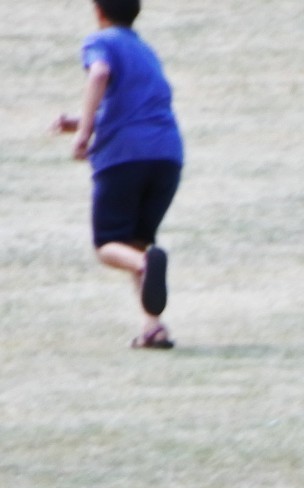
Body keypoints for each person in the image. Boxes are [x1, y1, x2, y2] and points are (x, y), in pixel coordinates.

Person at [51, 0, 184, 350]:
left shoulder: (102, 42)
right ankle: (153, 328)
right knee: (136, 242)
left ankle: (144, 263)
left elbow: (99, 73)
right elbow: (134, 105)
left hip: (124, 157)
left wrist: (83, 136)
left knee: (108, 245)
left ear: (99, 11)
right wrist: (81, 121)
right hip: (167, 156)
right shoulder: (145, 50)